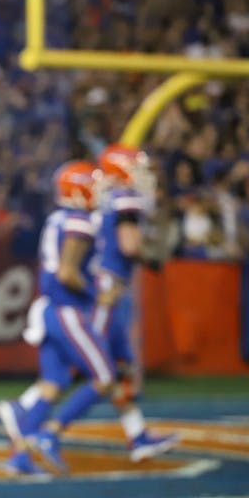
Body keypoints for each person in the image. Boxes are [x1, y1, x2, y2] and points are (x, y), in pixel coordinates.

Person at [0, 160, 114, 475]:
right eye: (93, 184)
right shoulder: (79, 221)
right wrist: (96, 294)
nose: (99, 190)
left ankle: (19, 455)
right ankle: (50, 432)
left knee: (53, 384)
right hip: (67, 311)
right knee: (104, 378)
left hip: (50, 309)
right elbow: (67, 273)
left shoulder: (60, 217)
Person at [92, 144, 179, 461]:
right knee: (98, 371)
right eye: (135, 167)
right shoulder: (124, 198)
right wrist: (151, 257)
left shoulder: (103, 199)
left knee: (119, 366)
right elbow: (129, 245)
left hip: (105, 284)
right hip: (110, 287)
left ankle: (137, 434)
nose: (141, 174)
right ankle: (41, 423)